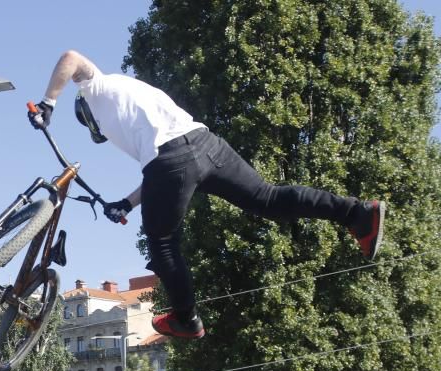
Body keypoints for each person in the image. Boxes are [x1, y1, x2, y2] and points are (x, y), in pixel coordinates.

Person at [28, 50, 385, 339]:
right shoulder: (134, 93)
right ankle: (357, 214)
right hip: (205, 144)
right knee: (268, 198)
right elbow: (164, 165)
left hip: (171, 161)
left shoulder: (95, 87)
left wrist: (48, 103)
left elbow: (70, 57)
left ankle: (186, 318)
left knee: (163, 243)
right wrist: (128, 202)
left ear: (86, 116)